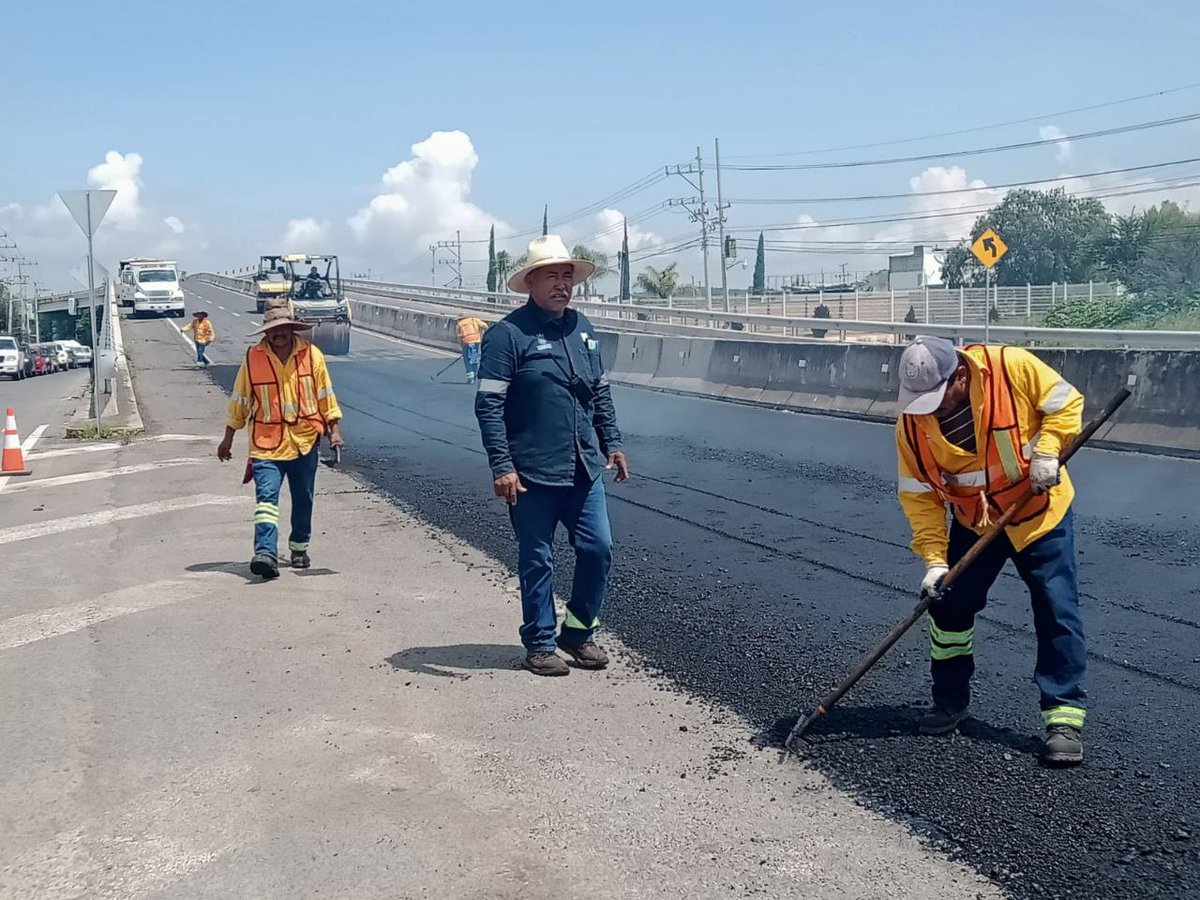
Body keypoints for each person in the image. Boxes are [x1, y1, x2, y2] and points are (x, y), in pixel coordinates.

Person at [895, 335, 1086, 766]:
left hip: (1039, 512)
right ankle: (950, 701)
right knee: (946, 605)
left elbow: (1067, 403)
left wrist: (1049, 451)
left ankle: (1064, 718)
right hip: (977, 523)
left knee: (1056, 609)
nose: (931, 412)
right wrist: (935, 560)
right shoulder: (911, 425)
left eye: (937, 400)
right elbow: (919, 495)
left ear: (960, 376)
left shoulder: (1010, 368)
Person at [475, 234, 630, 677]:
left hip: (583, 467)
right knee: (537, 558)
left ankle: (578, 634)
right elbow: (488, 405)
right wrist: (502, 466)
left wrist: (612, 442)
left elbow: (599, 393)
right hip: (531, 474)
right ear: (530, 283)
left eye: (568, 277)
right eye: (551, 276)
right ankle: (540, 643)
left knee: (598, 548)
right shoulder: (507, 336)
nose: (562, 285)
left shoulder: (583, 329)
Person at [217, 298, 344, 580]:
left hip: (304, 441)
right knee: (266, 499)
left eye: (283, 328)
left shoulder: (312, 356)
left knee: (303, 499)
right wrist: (228, 438)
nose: (278, 334)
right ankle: (265, 553)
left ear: (291, 329)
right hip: (267, 444)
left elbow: (326, 396)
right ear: (266, 332)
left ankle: (299, 548)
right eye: (273, 329)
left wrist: (334, 430)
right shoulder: (253, 359)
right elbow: (240, 400)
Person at [456, 314, 487, 382]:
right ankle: (475, 374)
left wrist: (462, 346)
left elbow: (459, 337)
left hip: (466, 342)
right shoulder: (474, 320)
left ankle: (471, 376)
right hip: (476, 341)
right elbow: (485, 326)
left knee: (468, 360)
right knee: (475, 358)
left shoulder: (459, 324)